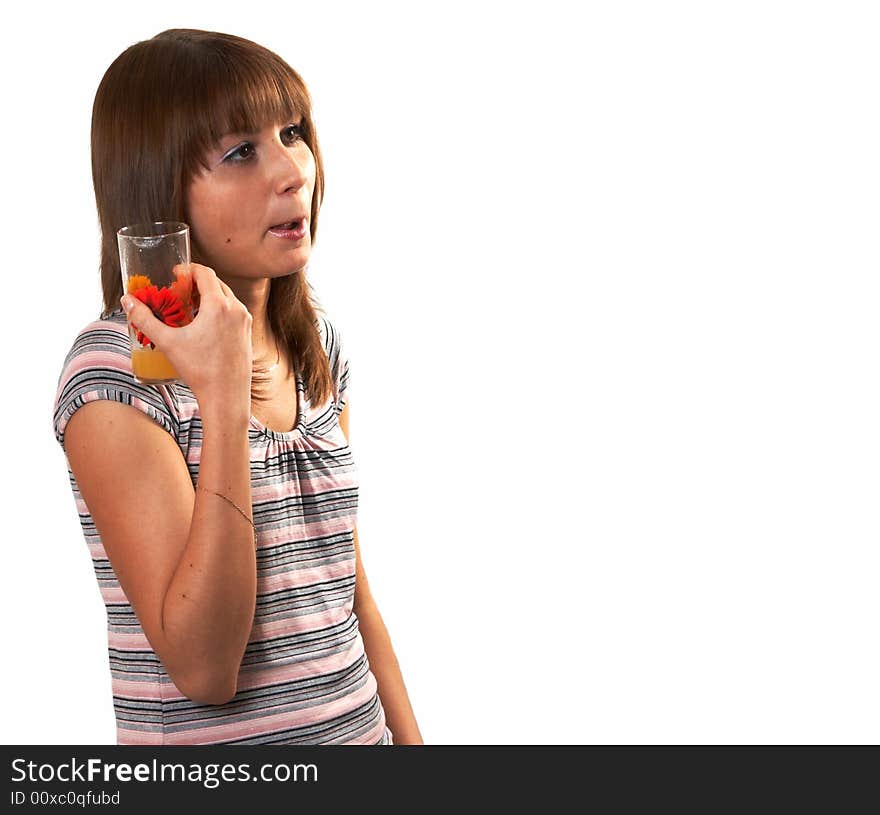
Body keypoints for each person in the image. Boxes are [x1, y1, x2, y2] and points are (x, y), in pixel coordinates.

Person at [51, 28, 423, 746]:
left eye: (291, 132)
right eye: (240, 151)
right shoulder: (114, 378)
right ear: (160, 191)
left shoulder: (314, 343)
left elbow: (350, 594)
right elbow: (204, 667)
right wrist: (222, 396)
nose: (294, 170)